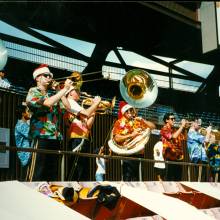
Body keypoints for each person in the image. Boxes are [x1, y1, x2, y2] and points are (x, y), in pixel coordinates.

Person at [26, 64, 72, 181]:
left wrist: (59, 90)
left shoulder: (53, 94)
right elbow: (47, 103)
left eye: (50, 76)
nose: (49, 78)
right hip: (41, 135)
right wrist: (65, 89)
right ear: (37, 78)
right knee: (37, 172)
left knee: (51, 174)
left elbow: (67, 107)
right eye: (46, 75)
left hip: (55, 137)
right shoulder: (33, 91)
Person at [64, 84, 101, 181]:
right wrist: (95, 104)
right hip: (76, 137)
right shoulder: (70, 102)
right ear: (70, 93)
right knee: (77, 167)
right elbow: (86, 113)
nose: (79, 92)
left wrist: (94, 110)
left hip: (83, 137)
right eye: (76, 90)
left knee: (83, 168)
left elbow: (88, 126)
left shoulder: (76, 105)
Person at [112, 101, 155, 181]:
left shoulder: (138, 121)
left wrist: (143, 120)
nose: (131, 112)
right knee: (127, 177)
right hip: (127, 153)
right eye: (128, 110)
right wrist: (131, 135)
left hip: (139, 152)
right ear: (124, 112)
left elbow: (153, 127)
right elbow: (117, 138)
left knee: (137, 178)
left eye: (132, 110)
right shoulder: (119, 122)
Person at [160, 112, 187, 181]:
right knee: (169, 180)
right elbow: (173, 137)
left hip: (178, 158)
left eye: (174, 118)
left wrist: (185, 128)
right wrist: (182, 126)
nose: (174, 120)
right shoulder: (164, 128)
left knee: (178, 180)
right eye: (172, 119)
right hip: (170, 157)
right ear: (167, 120)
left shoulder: (175, 129)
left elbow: (184, 138)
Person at [14, 104, 31, 180]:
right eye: (28, 111)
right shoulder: (20, 125)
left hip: (28, 155)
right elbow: (31, 135)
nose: (30, 113)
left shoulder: (24, 124)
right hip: (26, 156)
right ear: (23, 114)